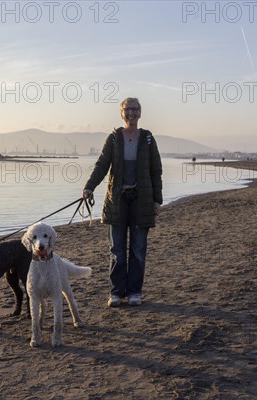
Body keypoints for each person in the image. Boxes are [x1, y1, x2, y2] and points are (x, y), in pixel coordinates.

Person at [82, 97, 163, 307]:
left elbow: (156, 171)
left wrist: (157, 201)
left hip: (142, 201)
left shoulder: (147, 138)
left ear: (140, 113)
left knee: (138, 249)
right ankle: (116, 293)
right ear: (121, 113)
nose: (131, 113)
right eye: (127, 110)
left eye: (135, 109)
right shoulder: (114, 138)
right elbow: (102, 165)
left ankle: (135, 292)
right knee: (117, 250)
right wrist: (89, 187)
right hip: (116, 201)